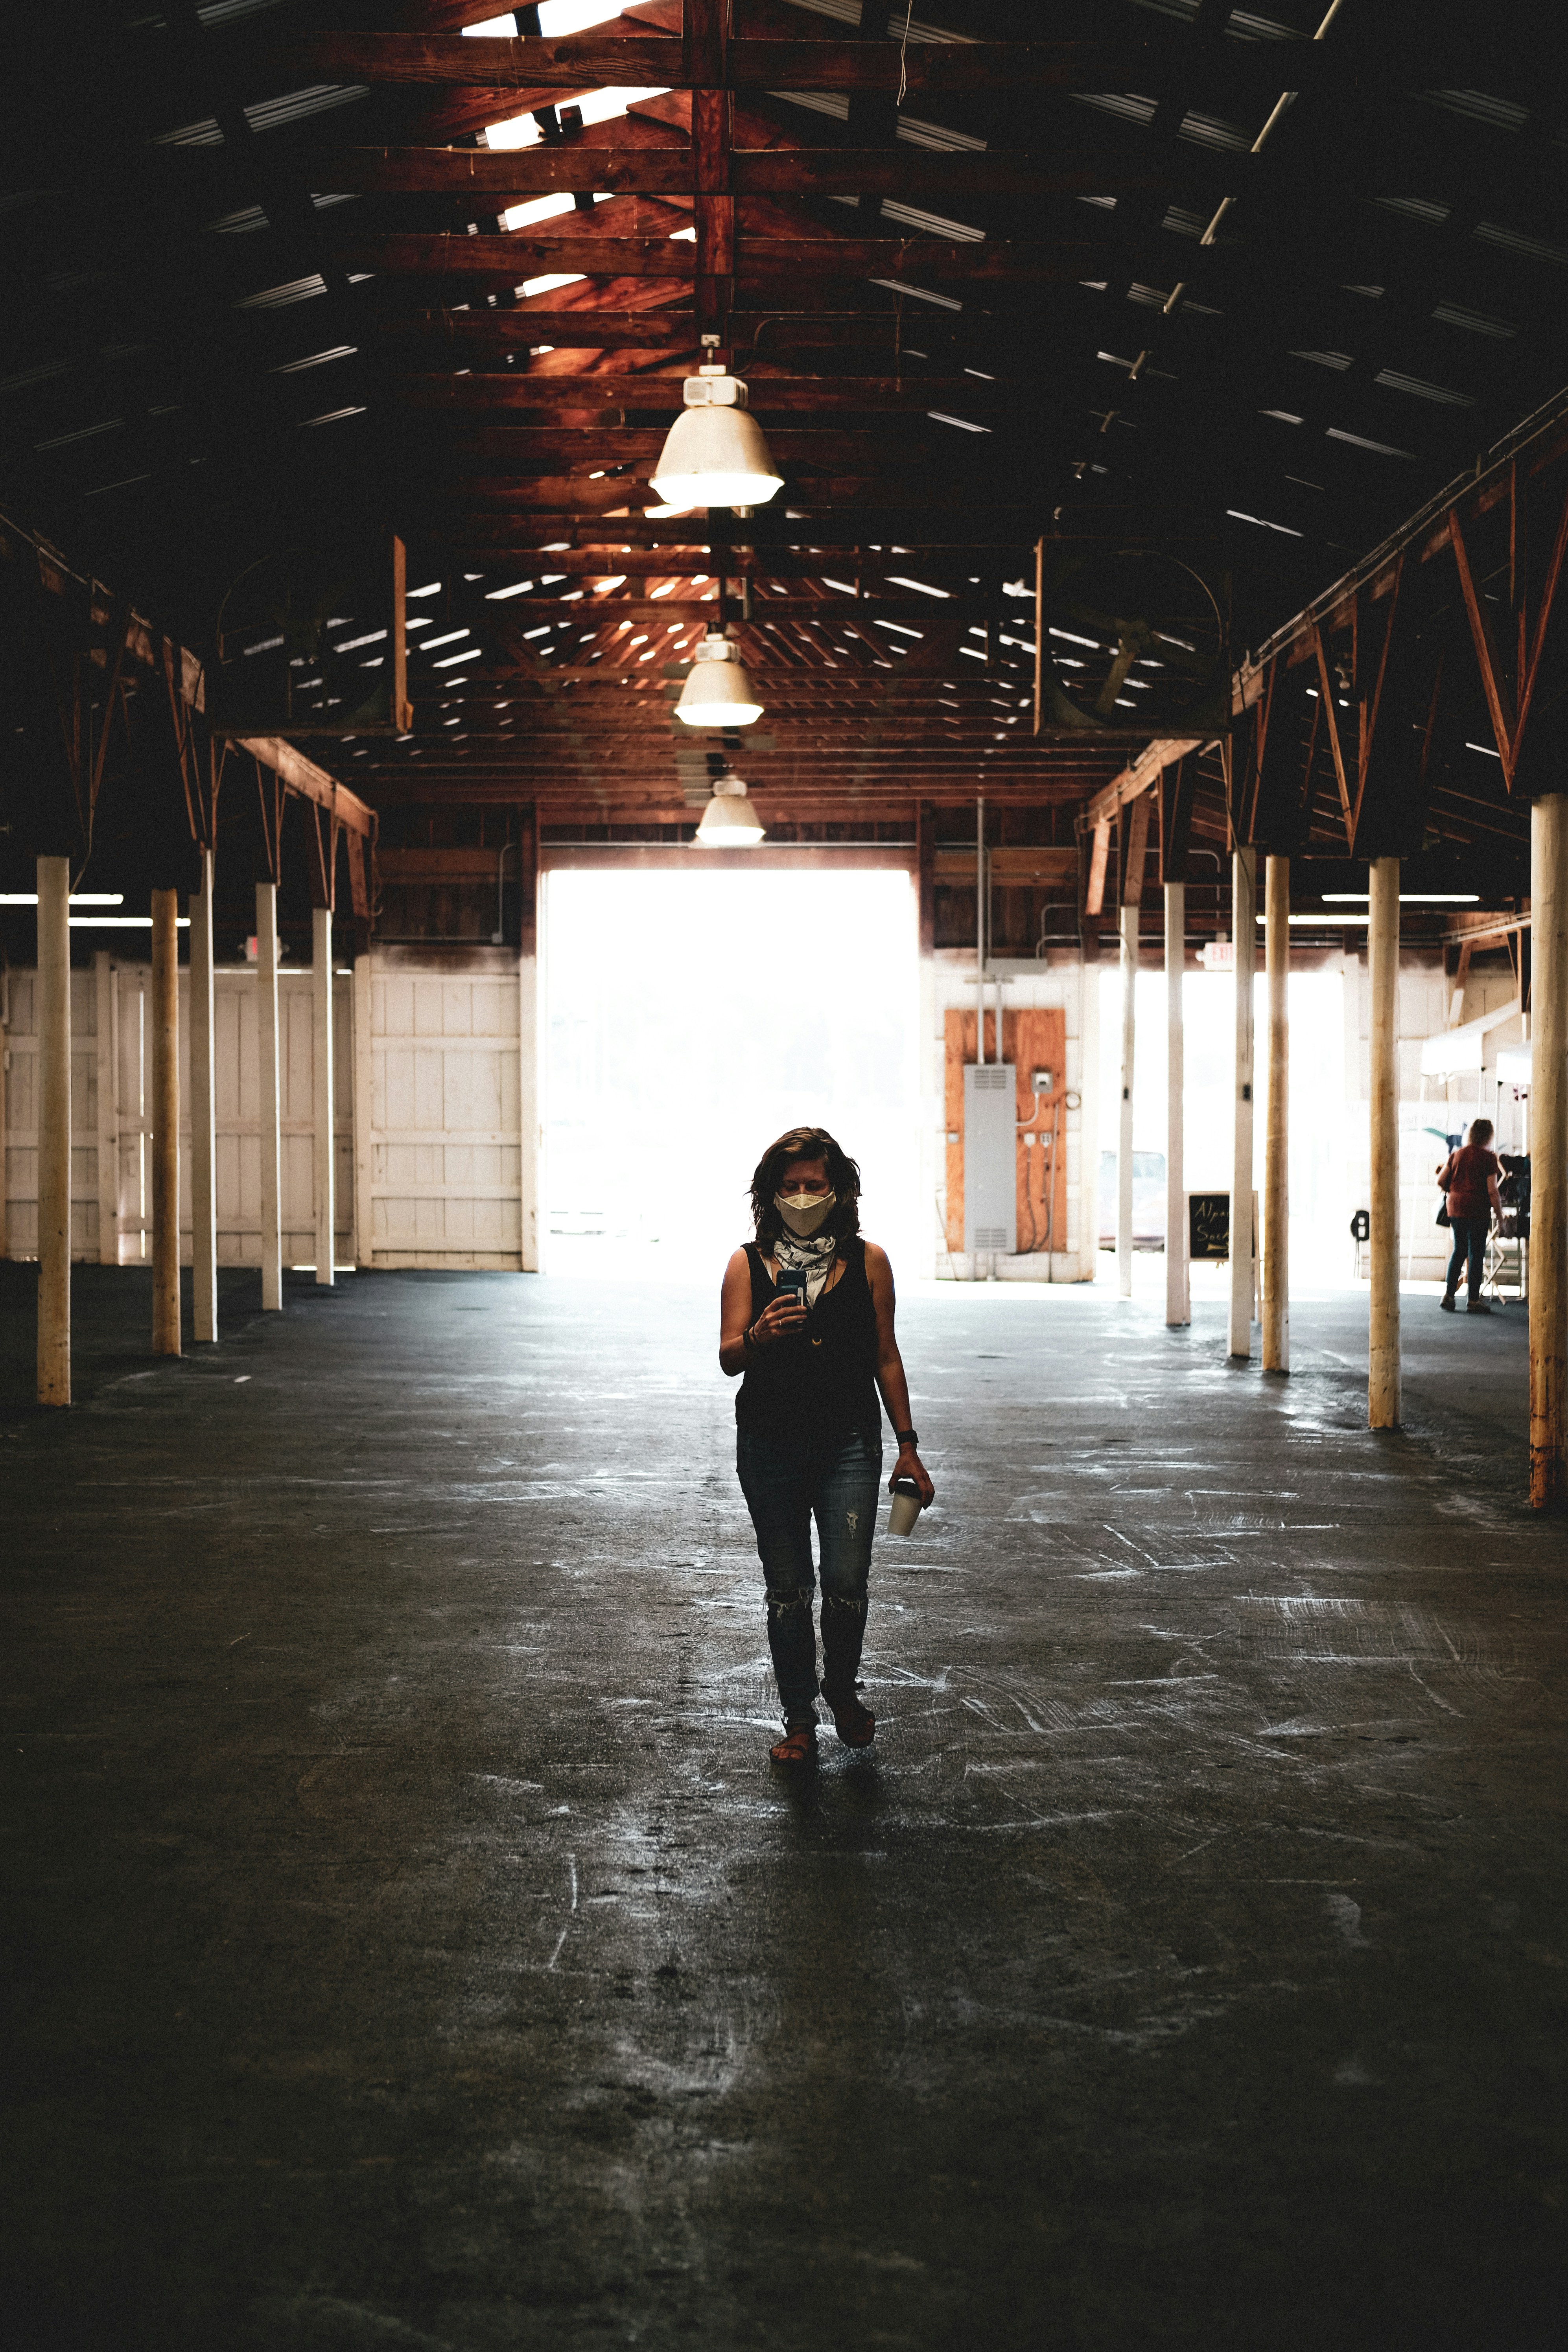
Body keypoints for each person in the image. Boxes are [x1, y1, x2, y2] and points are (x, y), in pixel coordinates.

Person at [719, 1126, 935, 1768]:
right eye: (791, 1187)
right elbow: (729, 1357)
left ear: (839, 1190)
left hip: (848, 1445)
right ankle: (799, 1721)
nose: (804, 1196)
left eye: (816, 1184)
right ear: (770, 1194)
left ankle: (840, 1692)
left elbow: (885, 1356)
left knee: (845, 1582)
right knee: (787, 1590)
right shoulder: (746, 1263)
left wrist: (908, 1445)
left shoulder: (868, 1262)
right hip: (769, 1448)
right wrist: (757, 1335)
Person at [1437, 1117, 1504, 1314]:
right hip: (1477, 1209)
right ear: (1488, 1136)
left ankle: (1449, 1296)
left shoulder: (1457, 1155)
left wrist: (1457, 1190)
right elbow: (1492, 1190)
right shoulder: (1489, 1158)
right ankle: (1473, 1300)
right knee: (1476, 1254)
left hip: (1456, 1207)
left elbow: (1441, 1181)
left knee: (1459, 1251)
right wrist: (1500, 1216)